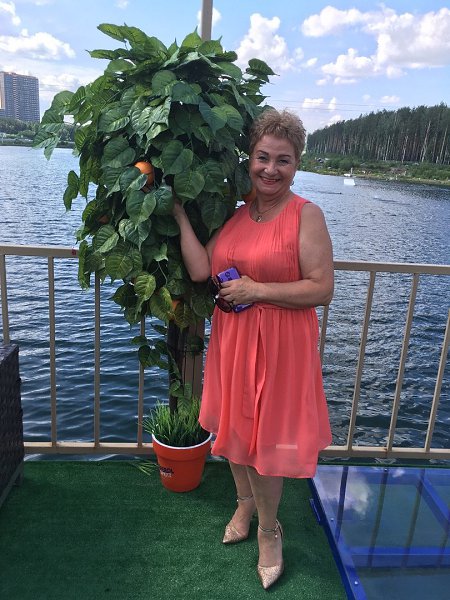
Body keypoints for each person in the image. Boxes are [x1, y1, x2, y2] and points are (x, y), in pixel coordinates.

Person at [172, 108, 334, 590]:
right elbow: (202, 270)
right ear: (250, 158)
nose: (271, 169)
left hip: (281, 348)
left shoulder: (306, 214)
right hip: (235, 339)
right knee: (236, 429)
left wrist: (256, 289)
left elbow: (322, 288)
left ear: (297, 164)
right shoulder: (239, 214)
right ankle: (243, 504)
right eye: (263, 157)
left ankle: (269, 530)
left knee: (265, 444)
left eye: (283, 160)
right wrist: (178, 215)